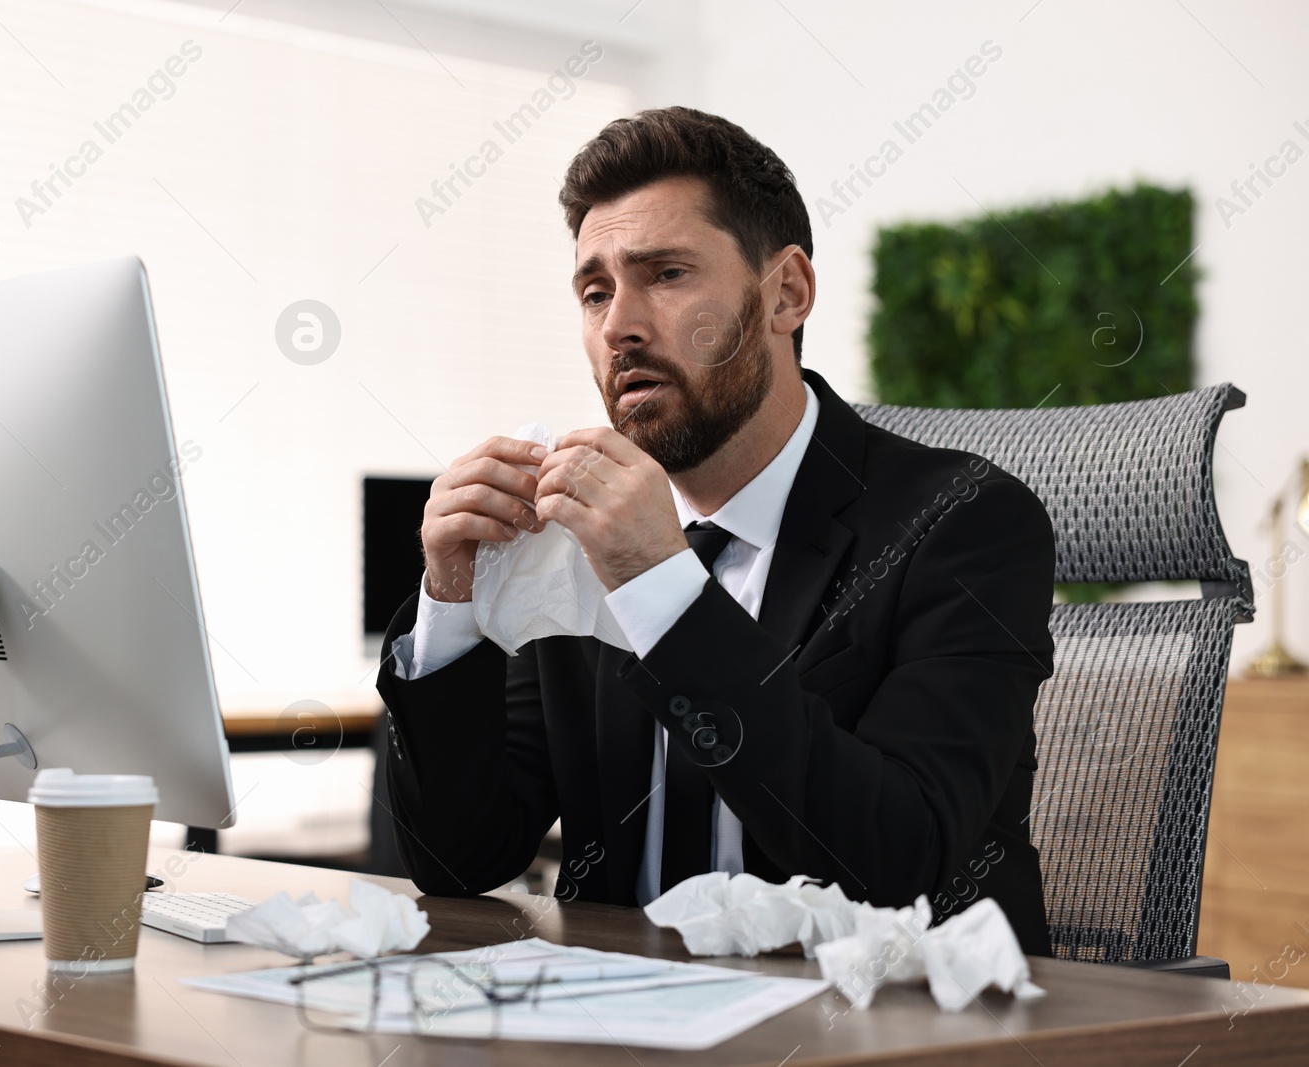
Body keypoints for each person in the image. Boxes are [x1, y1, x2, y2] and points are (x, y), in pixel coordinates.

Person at [375, 106, 1055, 956]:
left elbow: (898, 858)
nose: (619, 323)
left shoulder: (963, 522)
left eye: (664, 274)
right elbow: (458, 856)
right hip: (628, 1021)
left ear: (786, 293)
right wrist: (451, 602)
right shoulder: (579, 537)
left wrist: (659, 585)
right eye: (595, 291)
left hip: (876, 1029)